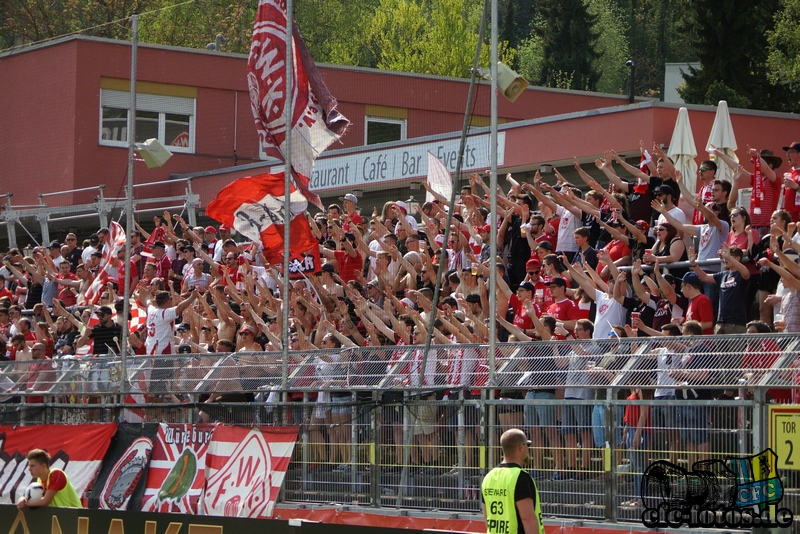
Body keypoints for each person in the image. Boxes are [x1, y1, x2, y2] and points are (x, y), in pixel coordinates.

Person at [481, 428, 544, 534]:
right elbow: (527, 519)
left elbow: (487, 516)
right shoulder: (520, 477)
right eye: (527, 444)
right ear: (521, 447)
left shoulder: (488, 477)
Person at [17, 449, 82, 509]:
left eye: (32, 466)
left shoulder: (56, 474)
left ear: (43, 466)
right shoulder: (39, 480)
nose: (29, 469)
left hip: (75, 516)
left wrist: (25, 503)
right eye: (29, 466)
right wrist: (22, 499)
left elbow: (45, 501)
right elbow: (34, 499)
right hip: (60, 517)